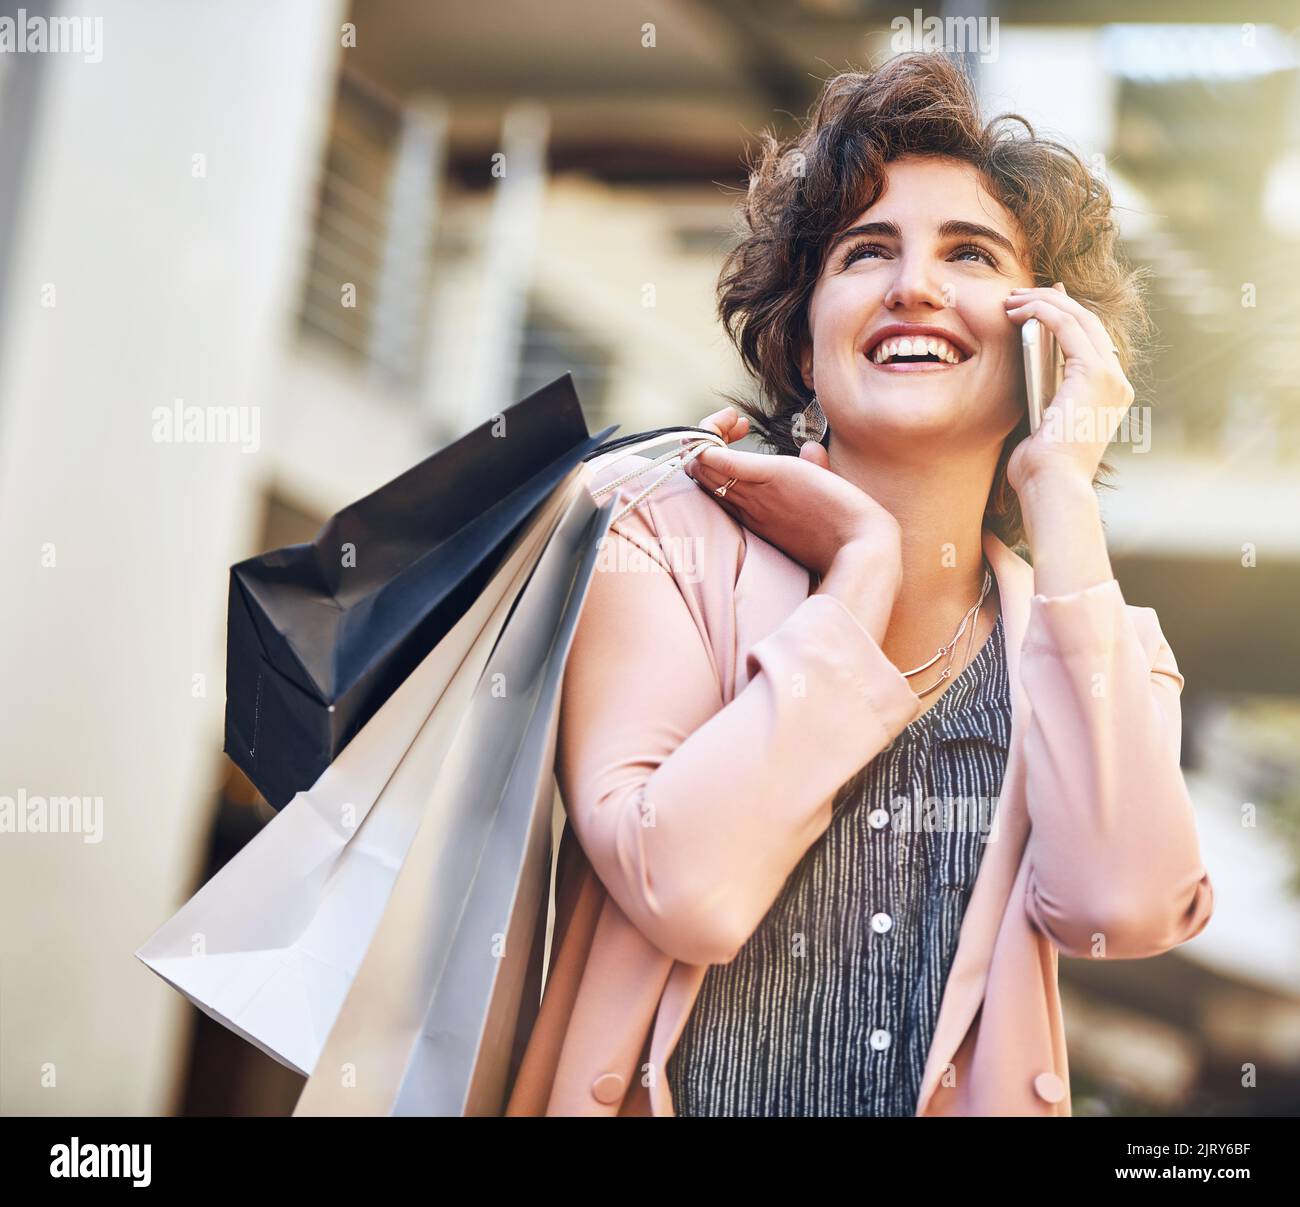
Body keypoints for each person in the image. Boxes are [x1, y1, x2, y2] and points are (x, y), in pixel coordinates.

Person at [505, 50, 1213, 1117]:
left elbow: (1120, 909)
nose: (912, 286)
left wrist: (1060, 492)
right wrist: (860, 578)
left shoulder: (1078, 634)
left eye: (970, 254)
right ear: (800, 333)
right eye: (864, 252)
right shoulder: (658, 539)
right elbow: (683, 890)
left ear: (1048, 345)